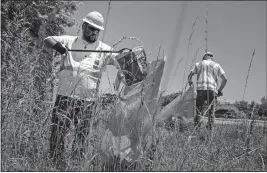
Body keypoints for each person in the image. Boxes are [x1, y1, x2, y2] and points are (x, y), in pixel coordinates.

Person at [43, 11, 120, 162]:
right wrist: (59, 47)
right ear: (84, 26)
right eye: (91, 28)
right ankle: (55, 165)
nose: (94, 32)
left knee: (82, 139)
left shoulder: (104, 49)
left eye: (97, 30)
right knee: (57, 134)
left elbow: (121, 60)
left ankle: (76, 166)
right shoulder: (69, 41)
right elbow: (47, 39)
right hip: (64, 97)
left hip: (87, 102)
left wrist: (129, 60)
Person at [188, 52, 227, 129]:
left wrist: (190, 82)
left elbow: (190, 75)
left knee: (198, 110)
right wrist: (219, 90)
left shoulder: (198, 64)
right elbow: (225, 79)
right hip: (212, 90)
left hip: (200, 90)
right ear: (211, 57)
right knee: (211, 112)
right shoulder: (217, 65)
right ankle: (210, 129)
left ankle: (196, 129)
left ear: (204, 57)